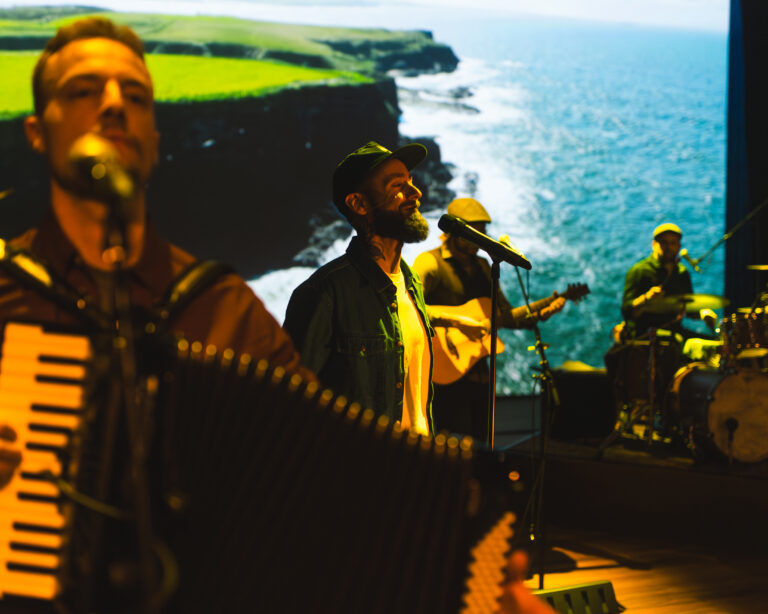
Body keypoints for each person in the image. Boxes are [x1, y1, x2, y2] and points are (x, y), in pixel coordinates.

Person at [0, 15, 309, 574]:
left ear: (157, 143)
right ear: (37, 133)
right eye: (83, 91)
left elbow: (321, 472)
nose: (114, 104)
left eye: (136, 96)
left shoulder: (225, 308)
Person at [283, 142, 487, 435]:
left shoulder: (411, 282)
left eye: (411, 181)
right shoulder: (323, 294)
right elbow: (289, 406)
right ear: (359, 204)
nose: (416, 193)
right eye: (397, 186)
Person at [412, 198, 566, 441]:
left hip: (479, 372)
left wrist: (540, 313)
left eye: (481, 234)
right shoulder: (429, 263)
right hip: (442, 371)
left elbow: (506, 317)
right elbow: (411, 308)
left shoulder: (485, 266)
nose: (477, 241)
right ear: (453, 233)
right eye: (471, 235)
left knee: (481, 439)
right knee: (447, 440)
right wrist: (457, 323)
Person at [620, 222, 715, 340]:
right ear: (654, 244)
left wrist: (703, 313)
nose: (668, 247)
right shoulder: (639, 271)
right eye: (664, 242)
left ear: (679, 246)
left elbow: (689, 308)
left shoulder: (682, 273)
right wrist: (646, 298)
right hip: (644, 335)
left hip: (675, 332)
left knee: (713, 344)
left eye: (673, 243)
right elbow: (627, 312)